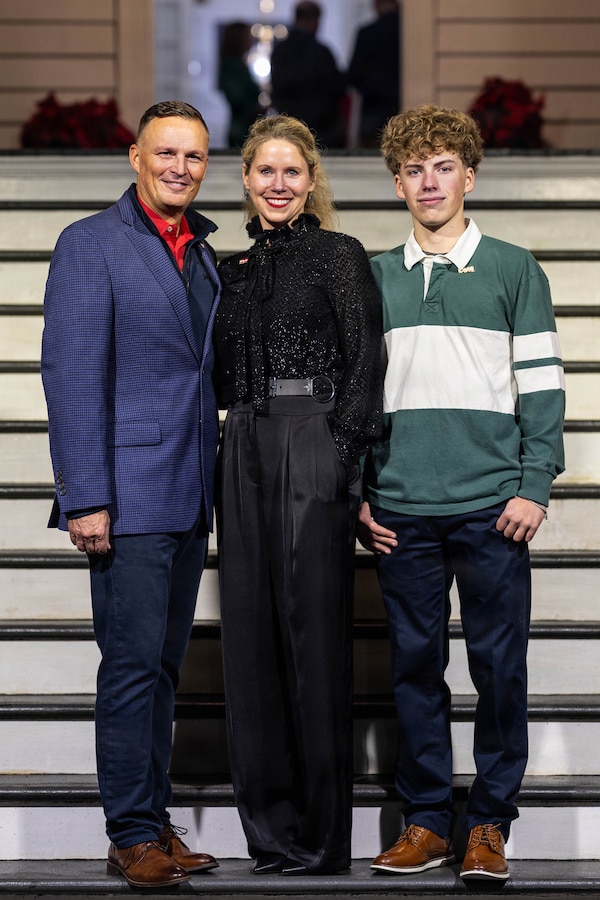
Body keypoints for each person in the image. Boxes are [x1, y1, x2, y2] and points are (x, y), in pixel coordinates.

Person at [358, 104, 565, 881]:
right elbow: (357, 399)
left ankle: (490, 823)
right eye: (414, 169)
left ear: (469, 176)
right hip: (402, 507)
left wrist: (535, 483)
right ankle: (426, 821)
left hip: (492, 507)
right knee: (414, 668)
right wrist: (361, 493)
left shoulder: (515, 268)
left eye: (444, 167)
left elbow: (542, 386)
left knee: (498, 667)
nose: (429, 181)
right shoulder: (375, 276)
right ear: (398, 184)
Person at [41, 100, 222, 889]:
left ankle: (153, 819)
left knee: (162, 668)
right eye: (167, 153)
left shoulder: (206, 253)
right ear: (135, 157)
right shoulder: (91, 245)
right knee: (129, 666)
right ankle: (128, 833)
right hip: (126, 493)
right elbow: (71, 378)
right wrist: (85, 497)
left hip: (188, 491)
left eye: (194, 156)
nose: (180, 168)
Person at [213, 114, 383, 875]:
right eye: (264, 172)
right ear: (245, 181)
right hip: (242, 440)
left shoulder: (339, 255)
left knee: (313, 636)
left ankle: (318, 839)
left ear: (311, 183)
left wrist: (338, 453)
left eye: (292, 172)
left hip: (312, 432)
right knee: (249, 637)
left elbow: (365, 361)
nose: (278, 184)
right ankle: (271, 835)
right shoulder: (231, 269)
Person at [270, 2, 346, 148]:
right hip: (322, 131)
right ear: (314, 21)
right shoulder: (321, 52)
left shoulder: (280, 51)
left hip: (289, 128)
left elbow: (277, 87)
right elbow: (337, 87)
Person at [347, 0, 401, 147]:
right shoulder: (407, 33)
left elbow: (354, 74)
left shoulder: (367, 33)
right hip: (401, 107)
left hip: (373, 109)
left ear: (377, 5)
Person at [218, 21, 263, 148]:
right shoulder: (231, 66)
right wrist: (257, 108)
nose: (251, 41)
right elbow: (237, 100)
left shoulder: (240, 65)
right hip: (241, 130)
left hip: (247, 128)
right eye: (247, 37)